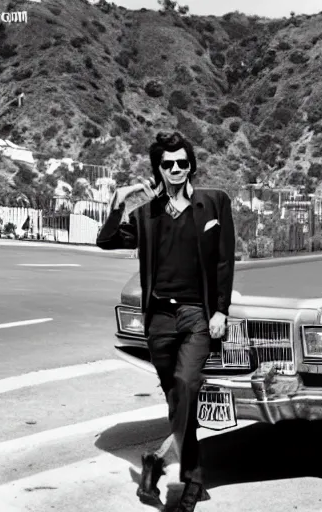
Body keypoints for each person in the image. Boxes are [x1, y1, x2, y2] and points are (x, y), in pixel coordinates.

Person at [96, 131, 236, 511]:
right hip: (158, 319)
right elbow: (106, 240)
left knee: (187, 387)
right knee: (178, 400)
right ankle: (194, 480)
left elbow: (225, 260)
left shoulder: (215, 203)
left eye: (182, 163)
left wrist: (220, 309)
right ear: (158, 169)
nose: (176, 169)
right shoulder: (146, 214)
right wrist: (119, 201)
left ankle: (157, 463)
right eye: (168, 164)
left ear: (191, 165)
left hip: (196, 315)